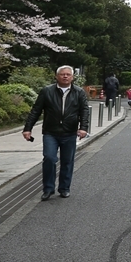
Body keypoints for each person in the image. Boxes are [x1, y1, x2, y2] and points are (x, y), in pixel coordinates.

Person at [23, 65, 91, 199]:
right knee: (49, 158)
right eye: (62, 74)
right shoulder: (47, 91)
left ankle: (64, 188)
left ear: (72, 77)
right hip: (51, 132)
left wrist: (83, 127)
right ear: (56, 76)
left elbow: (84, 111)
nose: (65, 76)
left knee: (67, 161)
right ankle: (48, 189)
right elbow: (36, 110)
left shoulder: (79, 92)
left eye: (68, 74)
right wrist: (27, 128)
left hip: (69, 132)